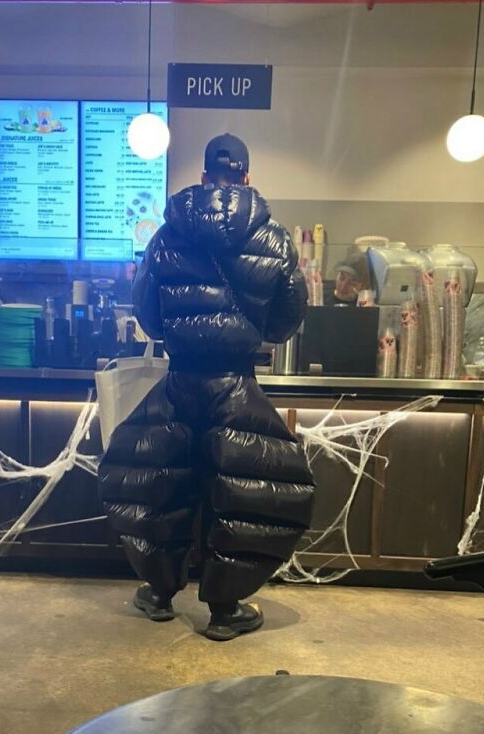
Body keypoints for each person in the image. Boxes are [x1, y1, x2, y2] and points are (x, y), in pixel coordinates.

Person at [98, 134, 315, 641]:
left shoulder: (166, 234)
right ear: (246, 177)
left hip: (180, 380)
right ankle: (224, 608)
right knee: (240, 493)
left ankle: (158, 593)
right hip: (236, 382)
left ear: (202, 178)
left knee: (162, 485)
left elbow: (149, 315)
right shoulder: (275, 238)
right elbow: (287, 319)